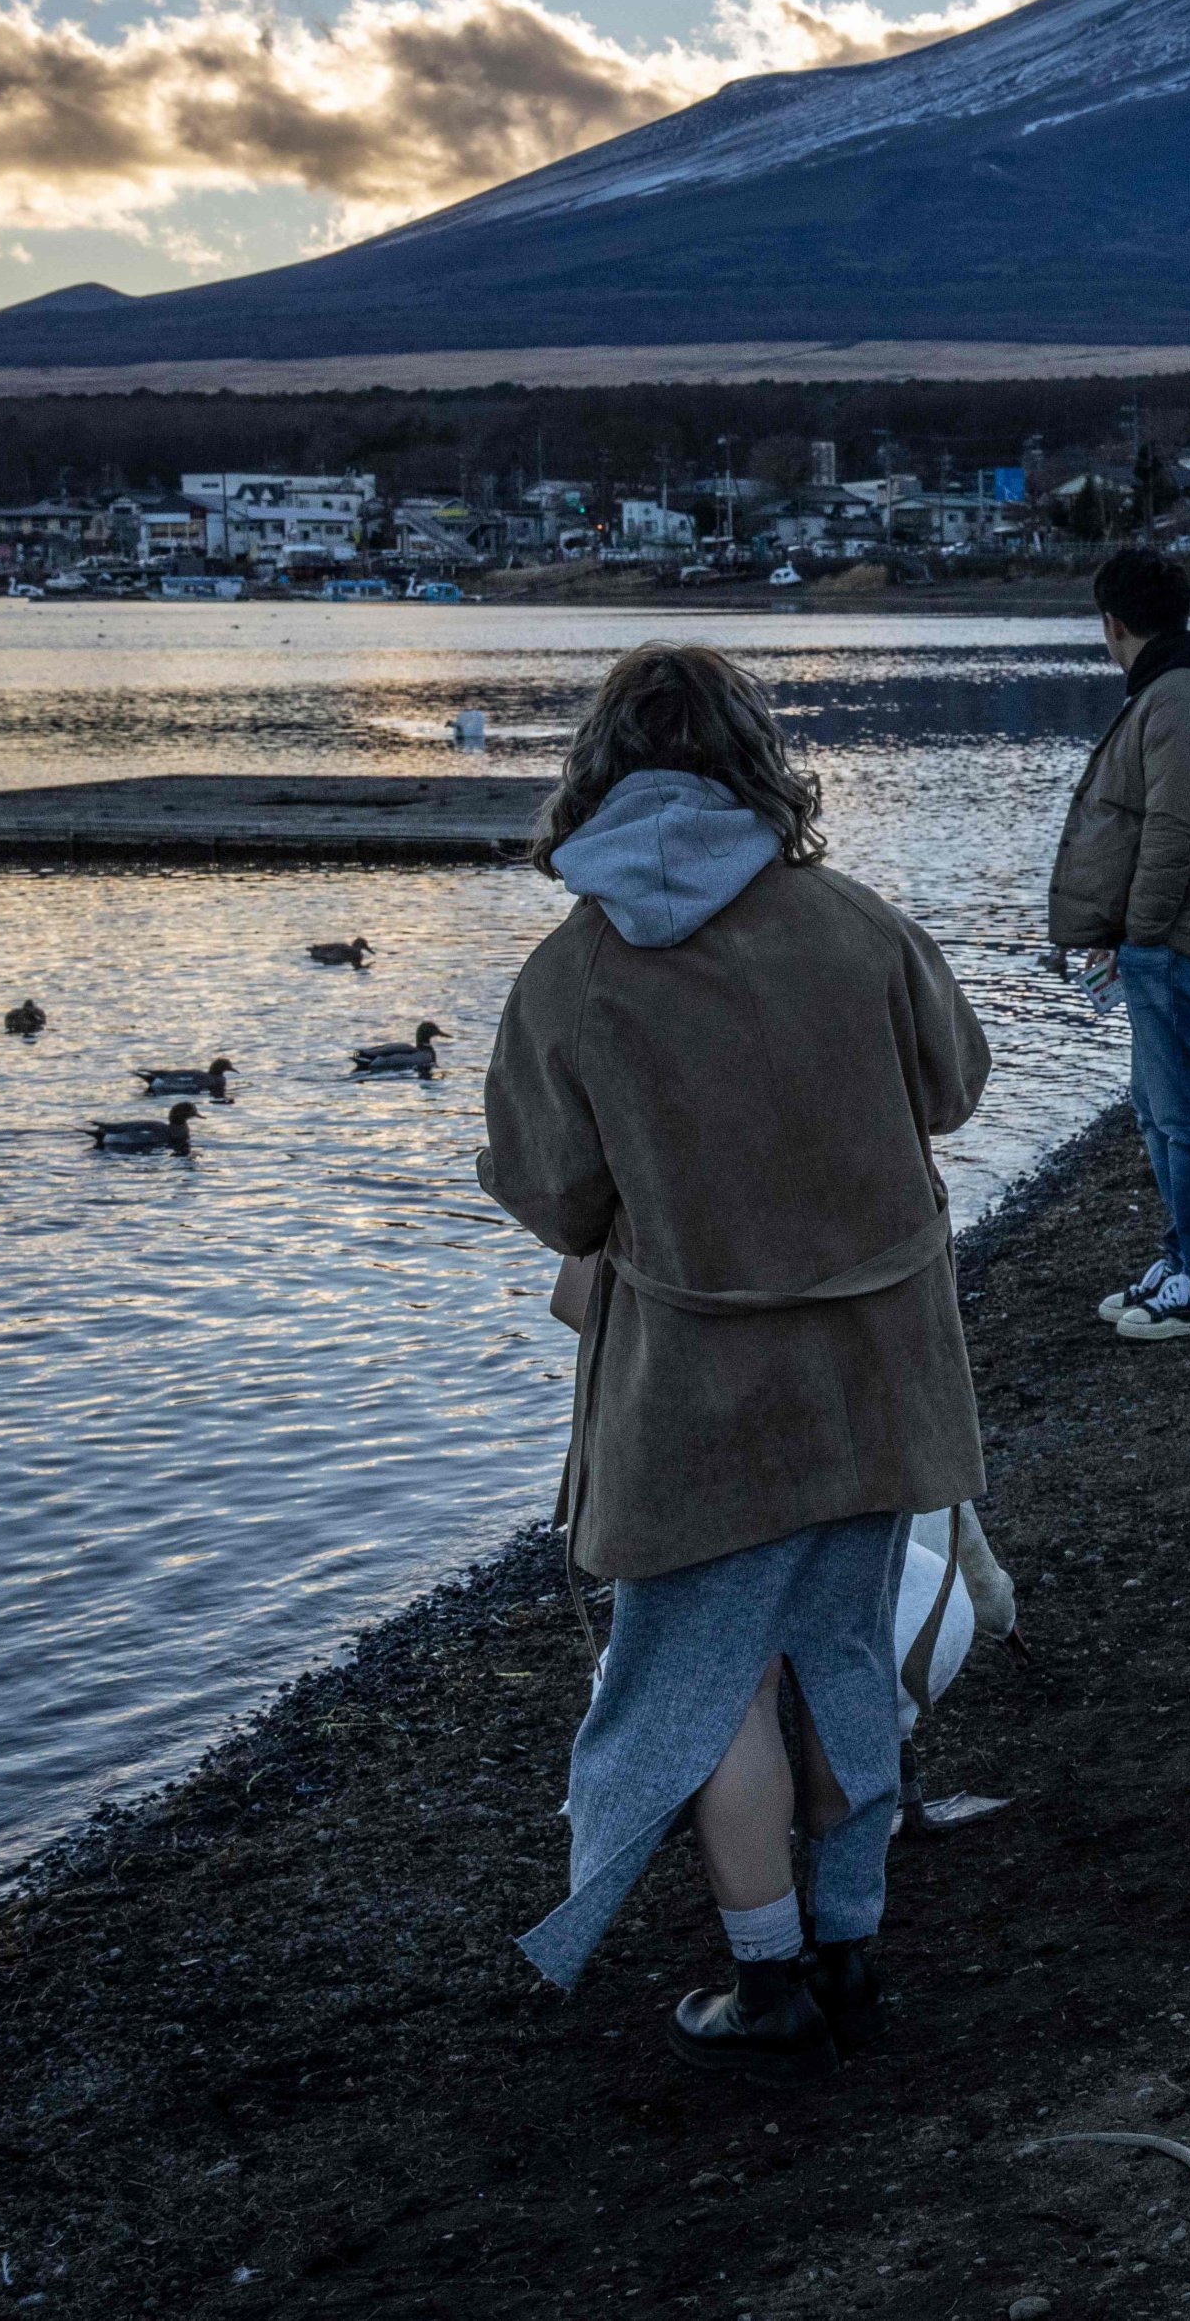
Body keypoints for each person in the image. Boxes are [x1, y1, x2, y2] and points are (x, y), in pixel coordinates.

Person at [482, 642, 986, 2078]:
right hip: (879, 1366)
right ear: (757, 760)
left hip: (695, 1396)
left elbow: (555, 1197)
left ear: (593, 769)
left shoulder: (571, 972)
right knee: (837, 1653)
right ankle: (849, 1948)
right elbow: (951, 1089)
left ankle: (766, 1986)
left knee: (704, 1683)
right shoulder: (856, 922)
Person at [1047, 545, 1190, 1340]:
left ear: (1112, 623)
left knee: (1189, 1113)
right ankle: (1184, 1258)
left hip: (1179, 941)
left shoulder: (1181, 701)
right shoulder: (1172, 692)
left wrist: (1138, 934)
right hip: (1162, 940)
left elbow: (1175, 831)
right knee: (1159, 1108)